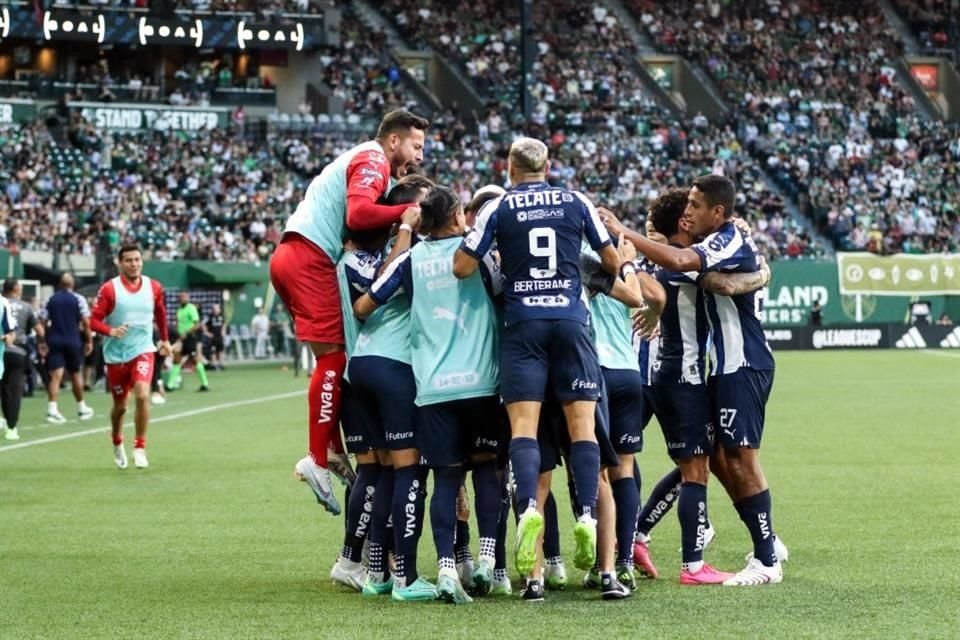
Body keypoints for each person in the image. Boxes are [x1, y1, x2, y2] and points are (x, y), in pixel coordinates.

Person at [453, 137, 625, 600]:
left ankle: (529, 509)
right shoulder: (576, 200)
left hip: (523, 324)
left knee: (525, 430)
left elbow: (461, 268)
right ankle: (586, 514)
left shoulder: (500, 208)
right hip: (570, 321)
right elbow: (612, 262)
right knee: (583, 427)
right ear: (547, 166)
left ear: (510, 168)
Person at [612, 175, 785, 586]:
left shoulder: (722, 241)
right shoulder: (700, 249)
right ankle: (761, 545)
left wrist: (628, 236)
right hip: (701, 371)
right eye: (686, 205)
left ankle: (765, 555)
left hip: (738, 364)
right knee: (712, 460)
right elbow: (695, 273)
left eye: (695, 205)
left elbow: (688, 266)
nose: (689, 211)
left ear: (716, 213)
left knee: (728, 459)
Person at [270, 109, 428, 513]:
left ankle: (332, 450)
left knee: (331, 359)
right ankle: (318, 459)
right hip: (310, 256)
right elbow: (358, 214)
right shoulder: (374, 158)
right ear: (394, 140)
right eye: (416, 145)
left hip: (294, 252)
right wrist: (408, 216)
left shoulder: (364, 159)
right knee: (335, 357)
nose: (419, 157)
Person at [355, 186, 506, 605]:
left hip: (433, 389)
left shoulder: (409, 260)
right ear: (458, 217)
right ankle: (489, 561)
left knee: (446, 477)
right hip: (480, 382)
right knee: (487, 470)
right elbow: (504, 293)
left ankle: (443, 568)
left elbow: (364, 306)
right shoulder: (477, 254)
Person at [89, 244, 171, 470]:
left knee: (143, 395)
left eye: (137, 259)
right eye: (129, 260)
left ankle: (140, 447)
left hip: (143, 349)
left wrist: (164, 339)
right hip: (116, 355)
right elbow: (93, 321)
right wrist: (110, 331)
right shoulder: (109, 289)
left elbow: (161, 313)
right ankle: (116, 440)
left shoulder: (153, 287)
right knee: (121, 407)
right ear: (120, 263)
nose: (134, 264)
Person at [44, 273, 95, 423]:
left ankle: (52, 409)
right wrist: (89, 340)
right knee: (75, 374)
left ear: (59, 284)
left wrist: (44, 340)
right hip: (73, 340)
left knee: (56, 376)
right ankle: (81, 407)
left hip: (55, 340)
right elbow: (86, 322)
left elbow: (42, 319)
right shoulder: (79, 299)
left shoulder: (50, 299)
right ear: (73, 284)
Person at [1, 279, 45, 441]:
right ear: (16, 289)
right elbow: (39, 331)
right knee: (14, 391)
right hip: (17, 351)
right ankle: (12, 428)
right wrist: (41, 342)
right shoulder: (26, 307)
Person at [169, 291, 209, 392]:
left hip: (190, 337)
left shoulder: (191, 308)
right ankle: (170, 385)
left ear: (188, 297)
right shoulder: (179, 310)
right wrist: (178, 335)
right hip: (181, 338)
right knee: (176, 359)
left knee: (195, 360)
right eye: (181, 296)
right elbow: (178, 324)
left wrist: (186, 333)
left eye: (184, 296)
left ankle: (205, 384)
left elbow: (197, 324)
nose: (182, 298)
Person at [204, 303, 226, 370]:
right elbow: (203, 324)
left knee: (221, 350)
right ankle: (214, 364)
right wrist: (207, 333)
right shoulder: (210, 316)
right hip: (213, 337)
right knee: (213, 351)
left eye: (217, 308)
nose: (216, 310)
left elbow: (224, 324)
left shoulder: (222, 316)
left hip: (219, 336)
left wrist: (223, 331)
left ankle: (221, 364)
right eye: (215, 308)